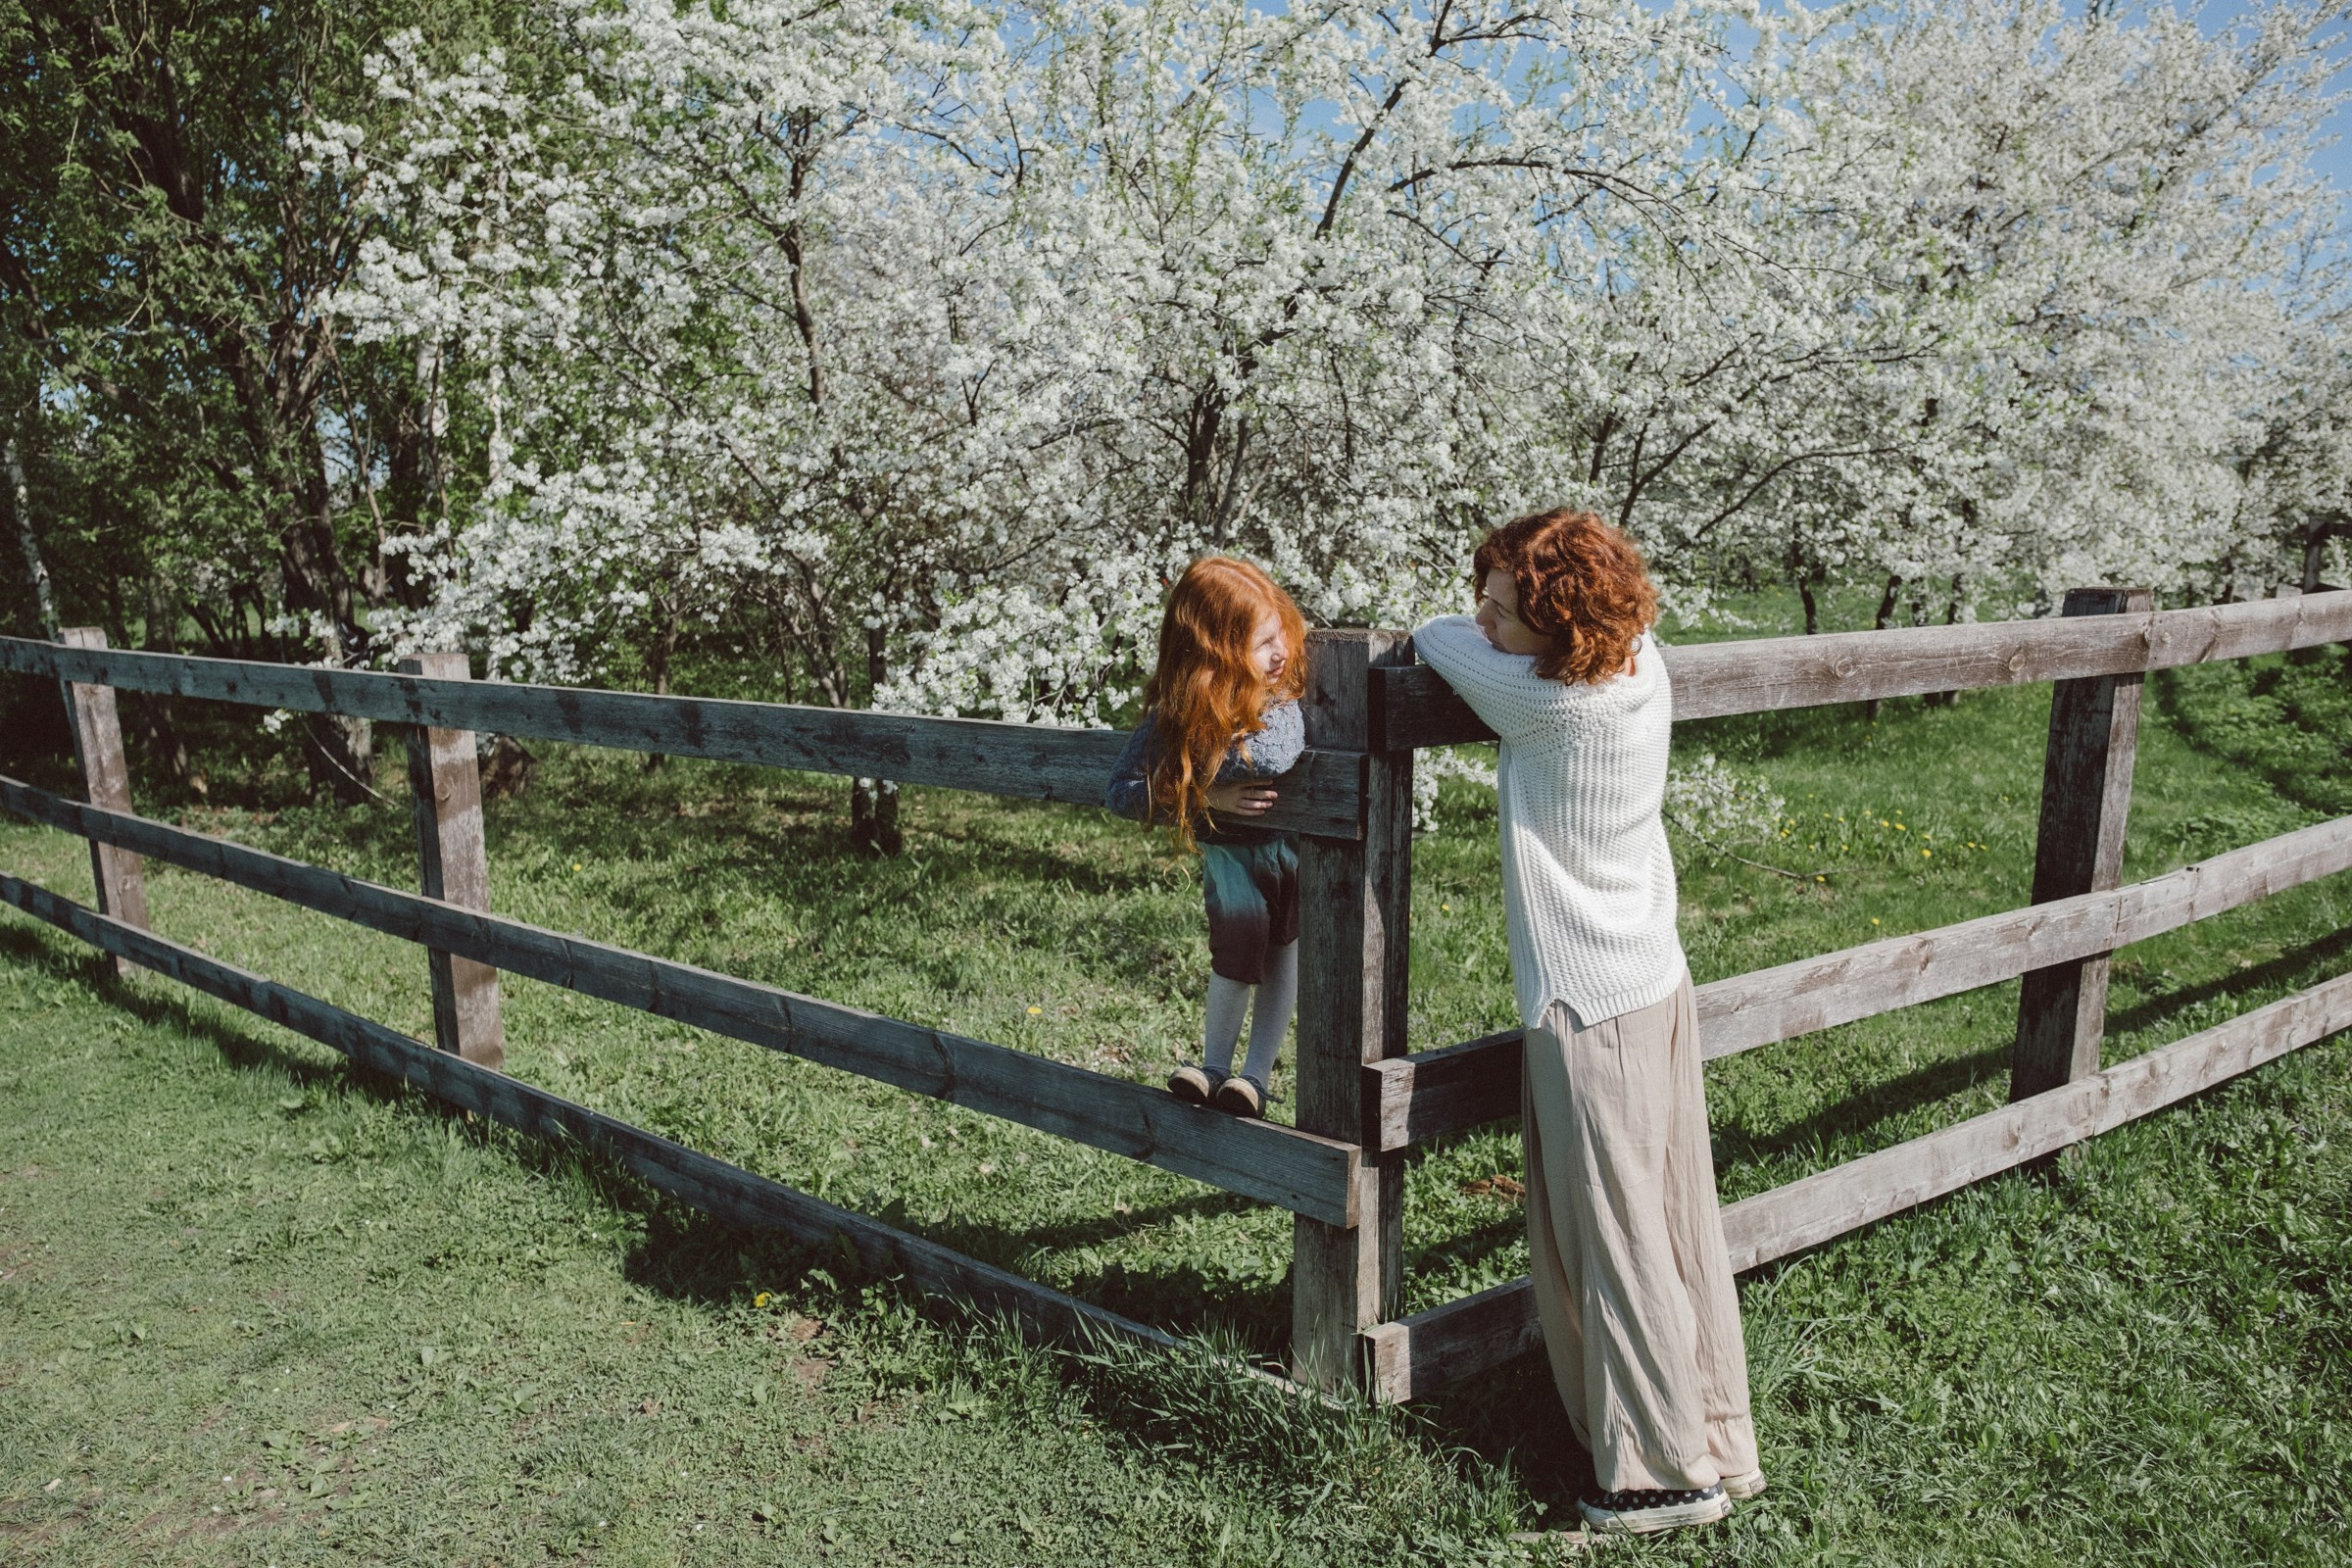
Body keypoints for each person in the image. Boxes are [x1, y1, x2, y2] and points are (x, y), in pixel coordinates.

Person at [1412, 509, 1762, 1536]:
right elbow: (1483, 632)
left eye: (1503, 605)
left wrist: (1459, 627)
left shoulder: (1549, 707)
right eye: (1481, 595)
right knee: (1672, 1214)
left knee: (1615, 1236)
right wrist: (1505, 608)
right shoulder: (1641, 665)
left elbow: (1429, 640)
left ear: (1560, 622)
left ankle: (1657, 1478)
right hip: (1651, 979)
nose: (1479, 617)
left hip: (1589, 1003)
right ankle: (1713, 1439)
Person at [1104, 556, 1309, 1118]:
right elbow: (1121, 791)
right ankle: (1213, 1066)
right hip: (1233, 862)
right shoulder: (1178, 715)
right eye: (1261, 644)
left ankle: (1254, 1078)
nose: (1280, 653)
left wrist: (1196, 766)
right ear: (1212, 657)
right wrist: (1204, 797)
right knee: (1234, 957)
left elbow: (1276, 751)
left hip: (1288, 854)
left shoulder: (1280, 698)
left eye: (1279, 635)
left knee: (1282, 956)